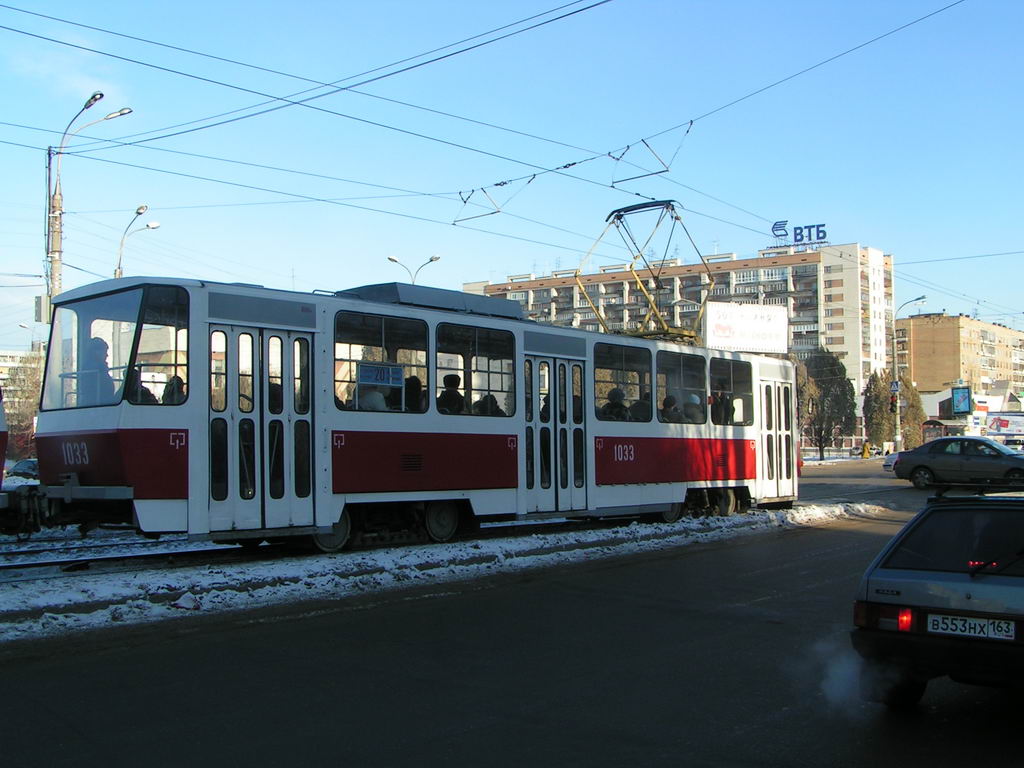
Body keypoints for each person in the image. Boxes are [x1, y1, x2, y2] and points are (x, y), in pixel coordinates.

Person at [78, 337, 115, 407]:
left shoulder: (100, 369)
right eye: (104, 352)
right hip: (101, 404)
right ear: (95, 352)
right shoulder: (93, 371)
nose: (107, 355)